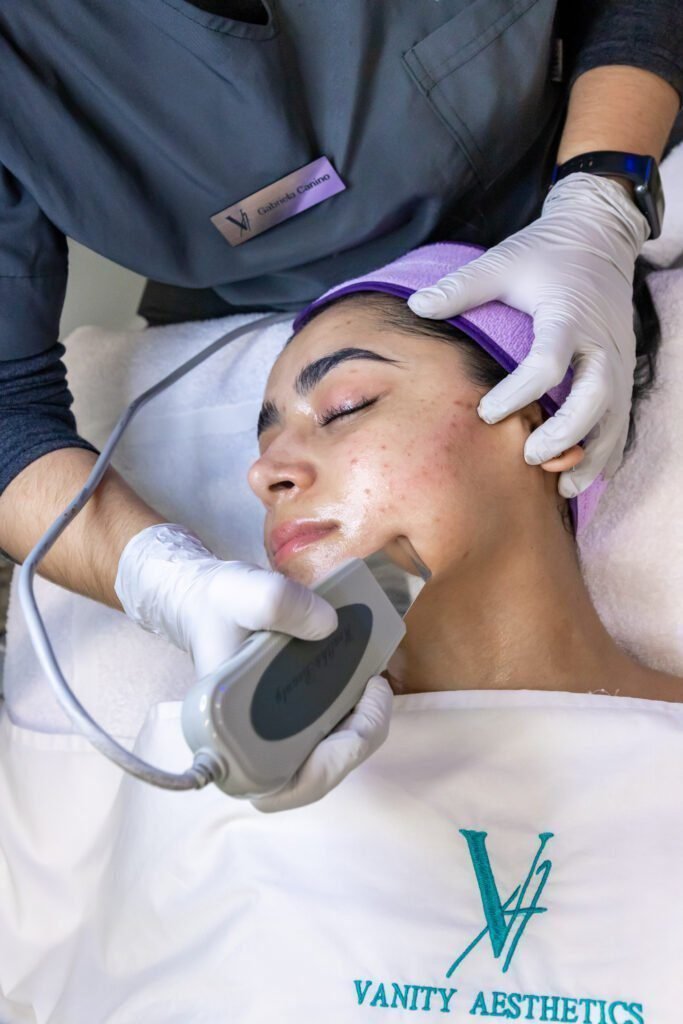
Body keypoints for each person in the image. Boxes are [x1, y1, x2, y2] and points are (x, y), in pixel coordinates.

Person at [0, 2, 681, 809]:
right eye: (269, 428)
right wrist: (155, 577)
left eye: (346, 404)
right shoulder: (206, 793)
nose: (262, 474)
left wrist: (599, 198)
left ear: (542, 426)